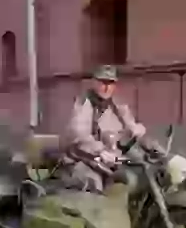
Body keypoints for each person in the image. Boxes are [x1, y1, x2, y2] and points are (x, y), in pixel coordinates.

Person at [57, 64, 149, 192]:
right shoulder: (84, 102)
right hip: (81, 159)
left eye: (110, 83)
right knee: (94, 183)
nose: (107, 88)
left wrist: (137, 130)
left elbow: (130, 124)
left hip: (109, 161)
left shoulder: (117, 104)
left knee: (132, 179)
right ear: (94, 82)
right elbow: (79, 133)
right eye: (103, 82)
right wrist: (99, 150)